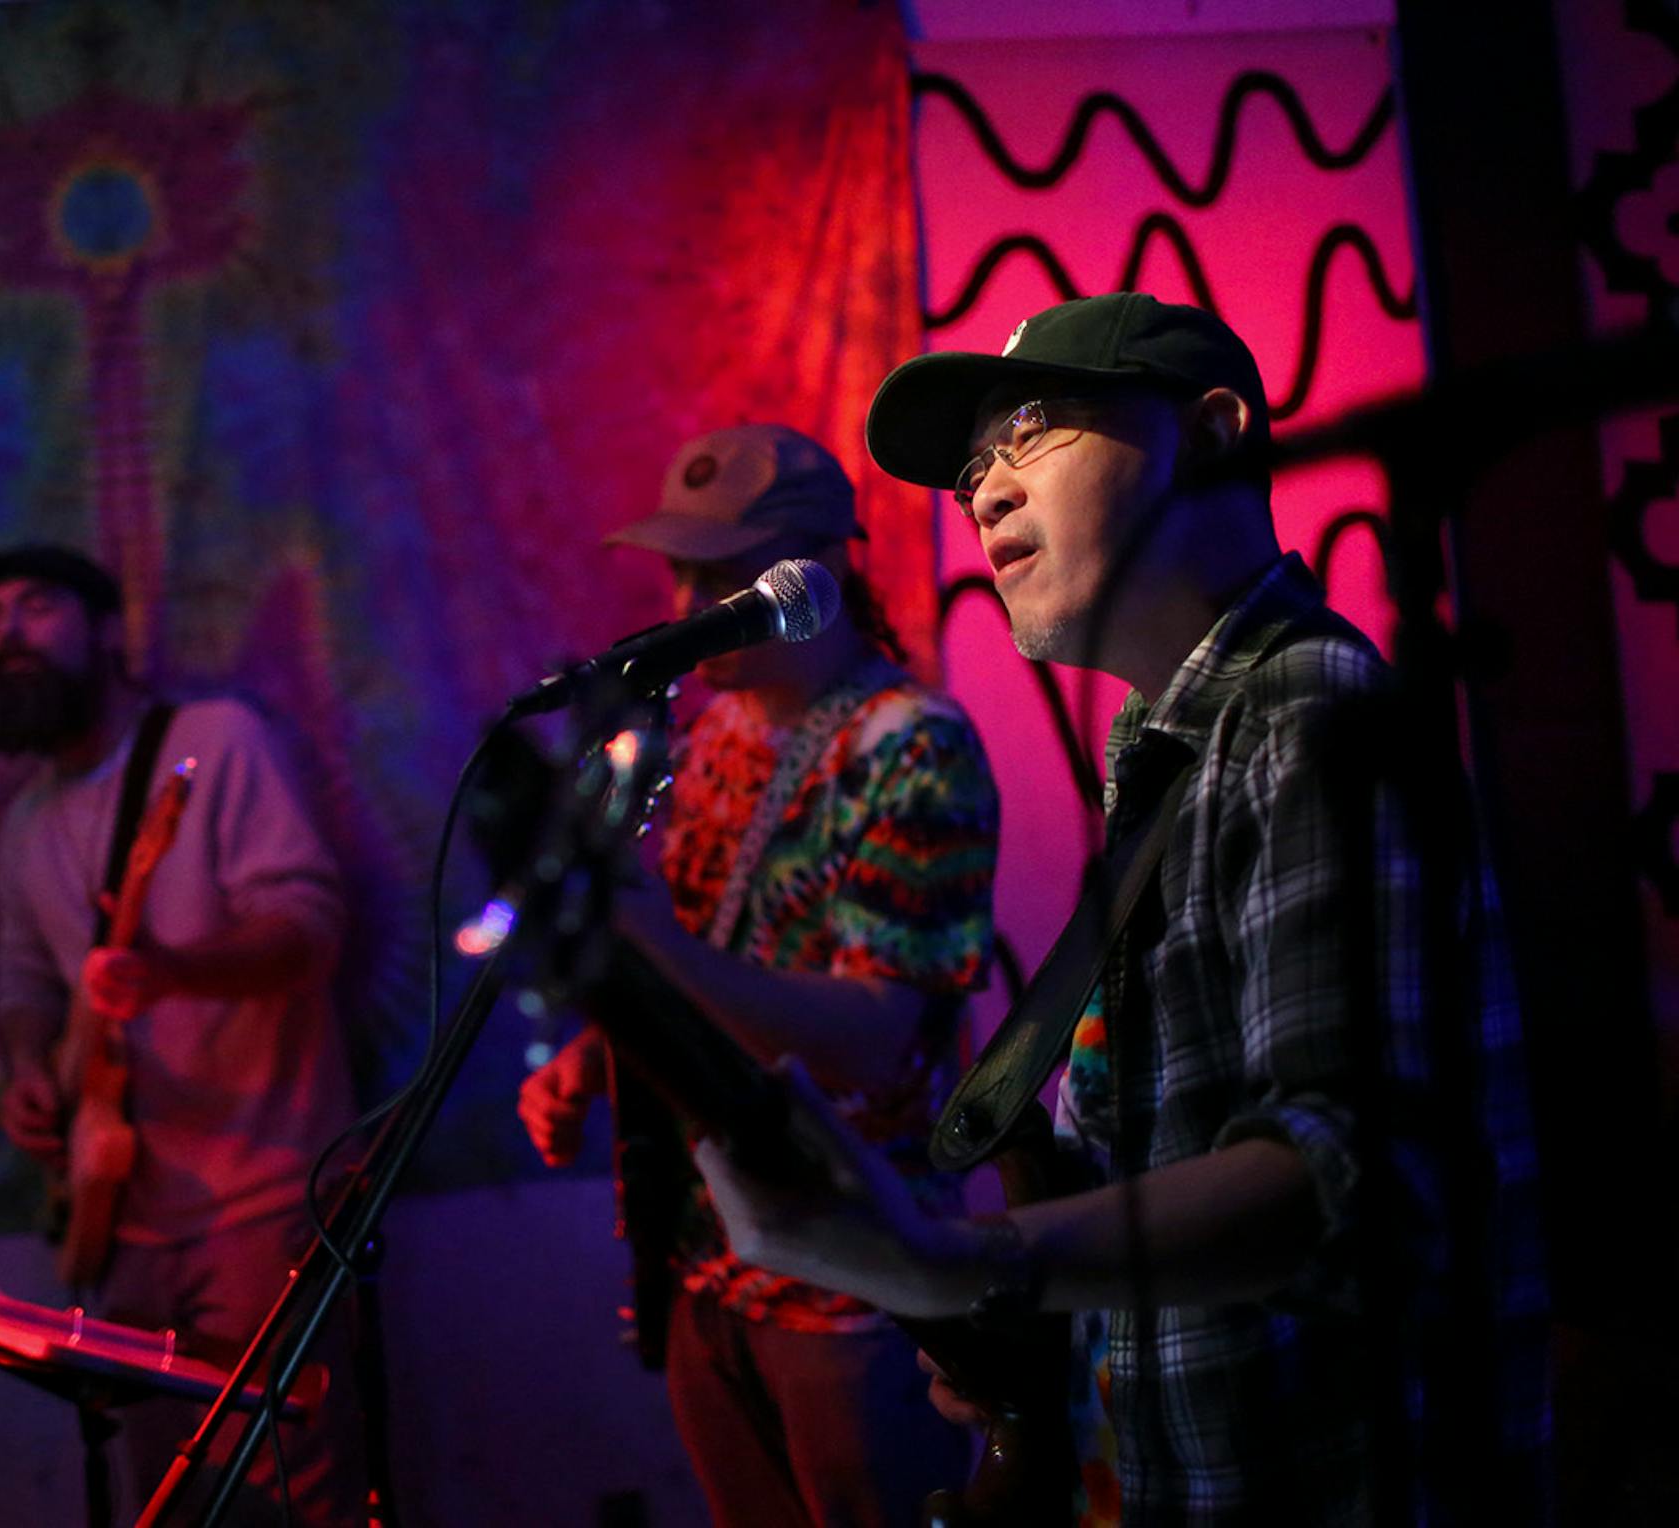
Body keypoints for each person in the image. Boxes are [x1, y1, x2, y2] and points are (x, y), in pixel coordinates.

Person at [691, 295, 1550, 1525]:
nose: (985, 493)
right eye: (973, 469)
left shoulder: (1308, 717)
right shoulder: (1164, 746)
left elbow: (1346, 1177)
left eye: (1030, 431)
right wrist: (1045, 1340)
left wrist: (969, 1263)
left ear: (1211, 433)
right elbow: (1173, 1164)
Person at [516, 425, 1001, 1527]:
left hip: (857, 1280)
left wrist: (658, 945)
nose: (690, 597)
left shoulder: (912, 743)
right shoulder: (716, 730)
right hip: (708, 1251)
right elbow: (693, 965)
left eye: (726, 573)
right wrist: (590, 1068)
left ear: (817, 571)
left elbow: (878, 1034)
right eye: (681, 569)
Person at [0, 543, 363, 1525]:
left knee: (285, 1493)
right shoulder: (26, 823)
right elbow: (23, 982)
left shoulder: (214, 741)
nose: (7, 631)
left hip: (263, 1194)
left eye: (38, 606)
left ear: (108, 631)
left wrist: (175, 970)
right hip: (124, 1217)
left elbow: (308, 926)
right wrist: (28, 1071)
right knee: (179, 1506)